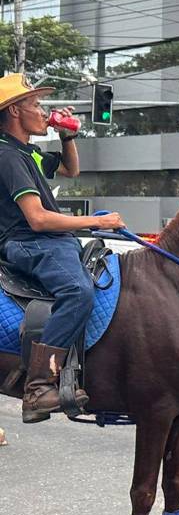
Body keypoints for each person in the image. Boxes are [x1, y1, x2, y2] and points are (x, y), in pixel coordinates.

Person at [0, 74, 125, 422]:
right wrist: (95, 223)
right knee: (78, 291)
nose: (44, 112)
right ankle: (38, 386)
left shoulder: (29, 154)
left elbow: (71, 169)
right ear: (14, 111)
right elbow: (37, 219)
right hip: (30, 243)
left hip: (50, 241)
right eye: (36, 105)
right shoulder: (8, 157)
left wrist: (67, 134)